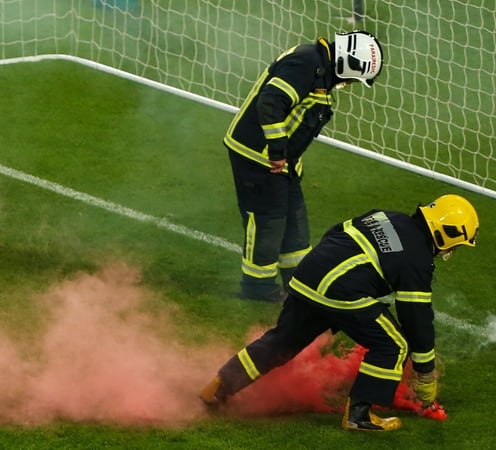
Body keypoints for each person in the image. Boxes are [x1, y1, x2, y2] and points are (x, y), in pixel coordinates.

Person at [200, 194, 479, 431]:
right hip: (340, 289)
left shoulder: (387, 216)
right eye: (456, 243)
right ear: (446, 233)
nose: (452, 250)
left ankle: (220, 386)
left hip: (308, 275)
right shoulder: (418, 258)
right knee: (393, 344)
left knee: (282, 340)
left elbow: (336, 231)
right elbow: (416, 319)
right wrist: (425, 373)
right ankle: (359, 416)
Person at [225, 31, 384, 302]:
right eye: (355, 78)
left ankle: (298, 285)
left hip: (281, 162)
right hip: (258, 156)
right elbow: (271, 101)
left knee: (294, 222)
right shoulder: (306, 63)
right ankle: (257, 288)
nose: (351, 83)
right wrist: (276, 151)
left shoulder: (319, 68)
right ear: (350, 64)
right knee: (269, 222)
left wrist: (286, 158)